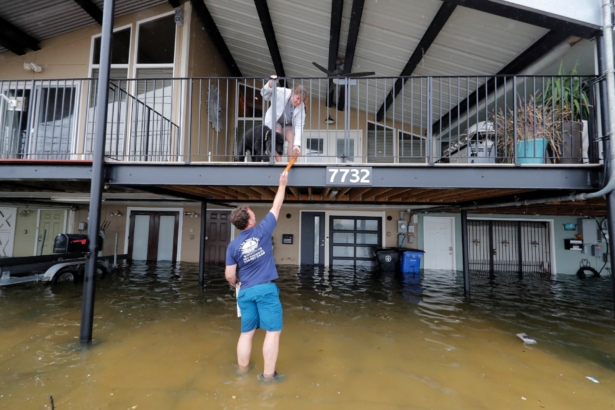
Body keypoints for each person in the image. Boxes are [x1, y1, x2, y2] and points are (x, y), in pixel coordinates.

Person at [225, 171, 288, 383]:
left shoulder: (233, 246)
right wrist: (282, 184)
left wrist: (236, 284)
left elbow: (229, 275)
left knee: (247, 333)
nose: (254, 214)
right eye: (252, 213)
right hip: (265, 290)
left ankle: (242, 372)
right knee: (272, 332)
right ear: (250, 221)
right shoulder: (262, 230)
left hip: (244, 292)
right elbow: (276, 206)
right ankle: (268, 377)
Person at [261, 76, 308, 162]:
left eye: (301, 100)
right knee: (275, 138)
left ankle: (289, 166)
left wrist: (297, 144)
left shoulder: (301, 108)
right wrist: (271, 83)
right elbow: (265, 94)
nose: (298, 102)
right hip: (276, 121)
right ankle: (280, 164)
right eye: (298, 98)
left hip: (288, 125)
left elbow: (299, 127)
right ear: (293, 93)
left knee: (293, 141)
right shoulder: (282, 92)